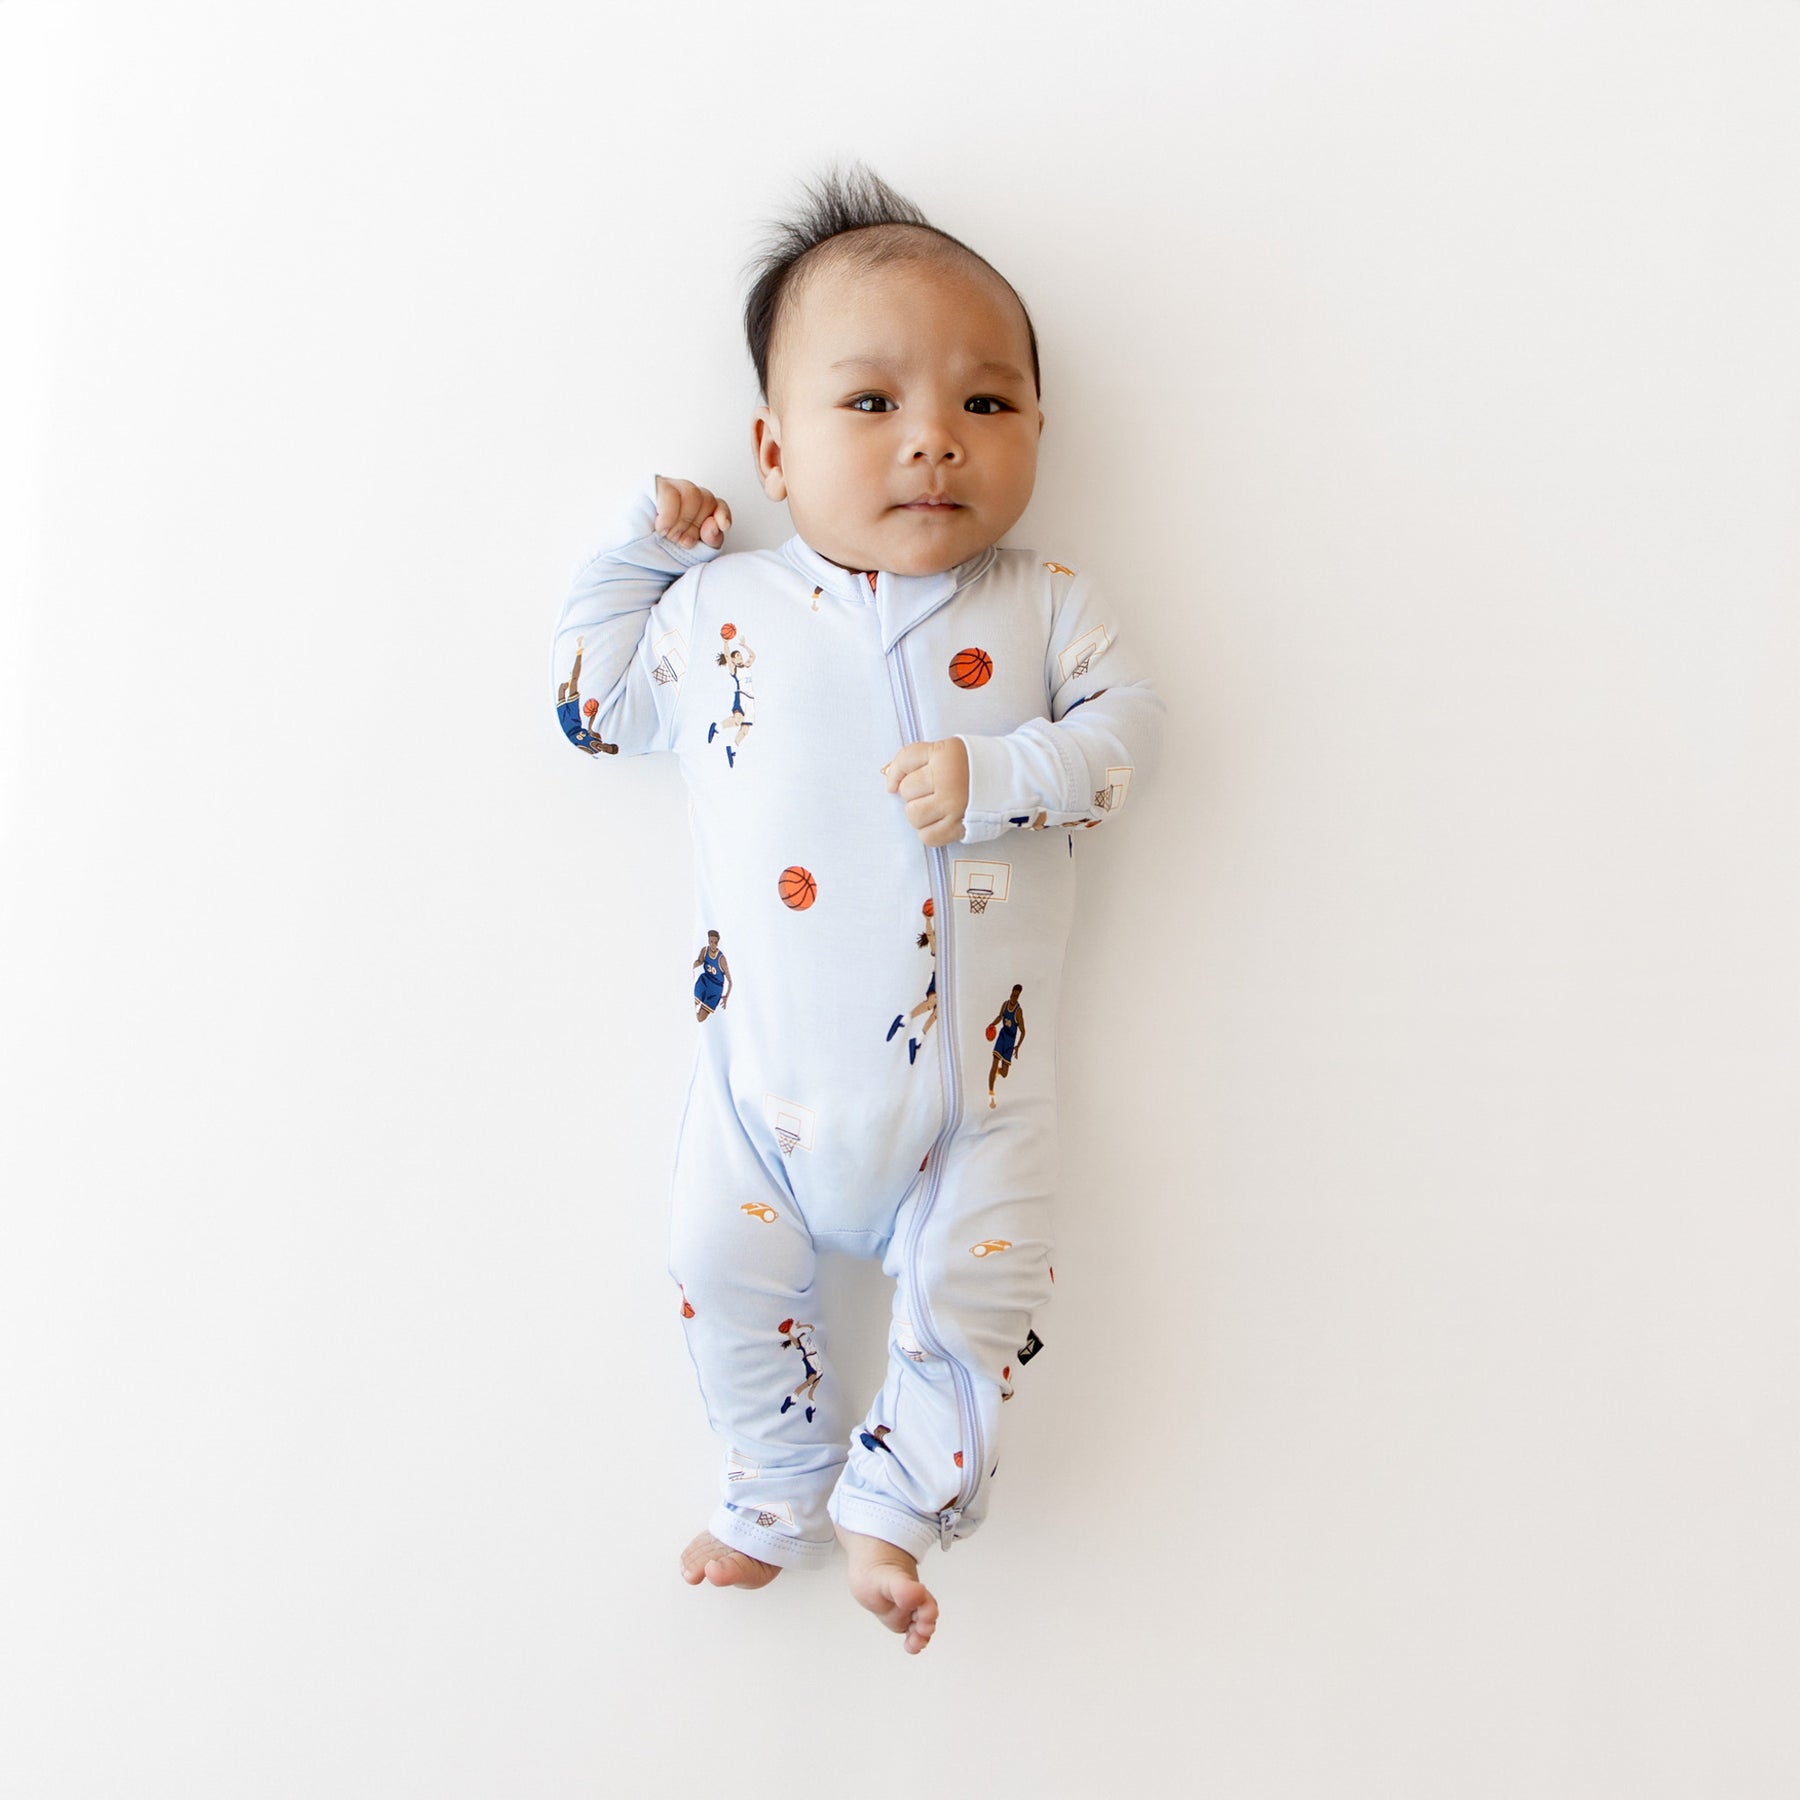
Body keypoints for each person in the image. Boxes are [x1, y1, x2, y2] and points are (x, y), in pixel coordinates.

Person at [549, 161, 1165, 1655]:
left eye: (988, 404)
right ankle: (770, 1487)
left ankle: (896, 1511)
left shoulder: (1043, 600)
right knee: (712, 1263)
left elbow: (1128, 736)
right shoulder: (720, 615)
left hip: (976, 1097)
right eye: (873, 403)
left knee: (979, 1300)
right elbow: (587, 708)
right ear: (772, 445)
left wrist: (1005, 771)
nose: (936, 442)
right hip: (760, 1091)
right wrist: (639, 560)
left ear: (1035, 435)